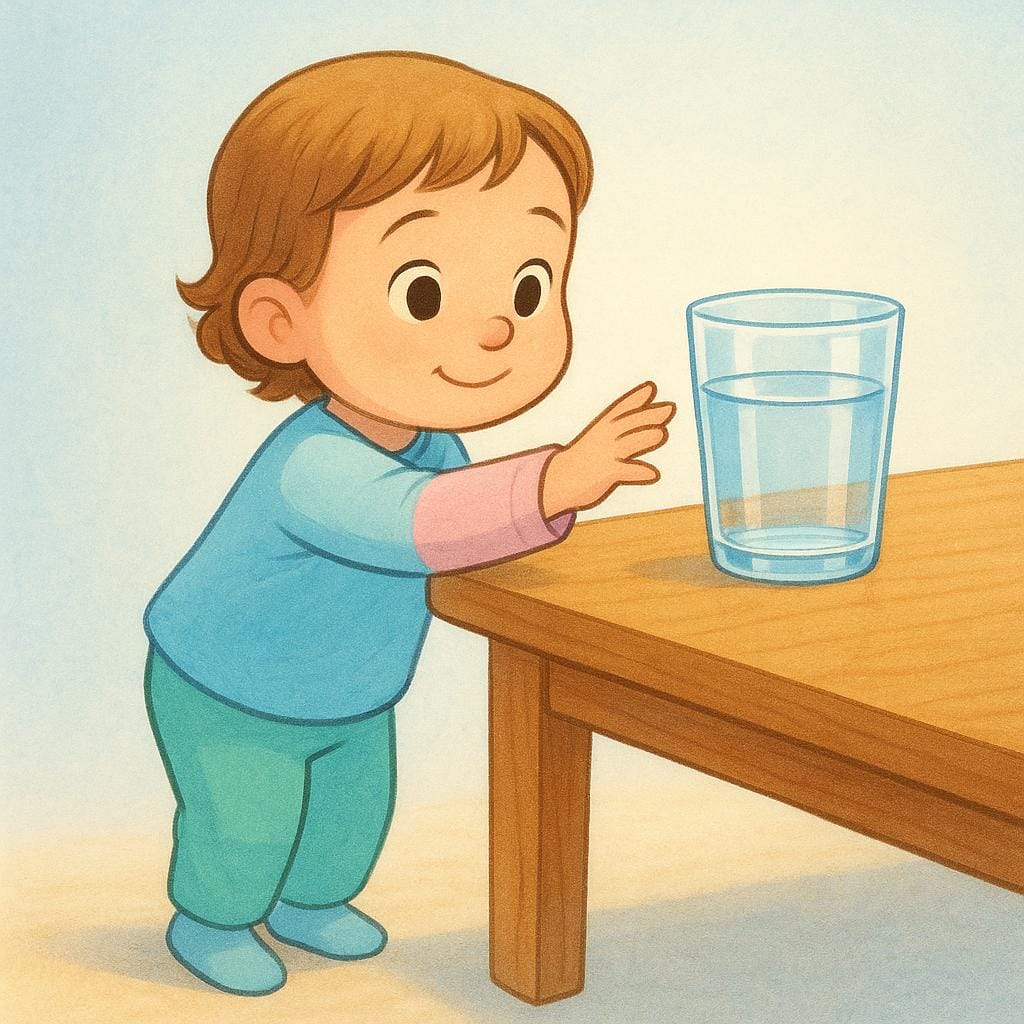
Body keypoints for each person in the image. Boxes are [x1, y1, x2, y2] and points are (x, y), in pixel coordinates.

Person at [143, 50, 674, 996]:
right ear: (277, 320)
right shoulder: (314, 467)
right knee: (246, 822)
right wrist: (555, 481)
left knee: (352, 812)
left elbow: (463, 527)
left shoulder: (434, 445)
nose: (497, 329)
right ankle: (212, 917)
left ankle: (310, 902)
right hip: (227, 685)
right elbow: (420, 526)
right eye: (422, 291)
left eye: (527, 287)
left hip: (351, 688)